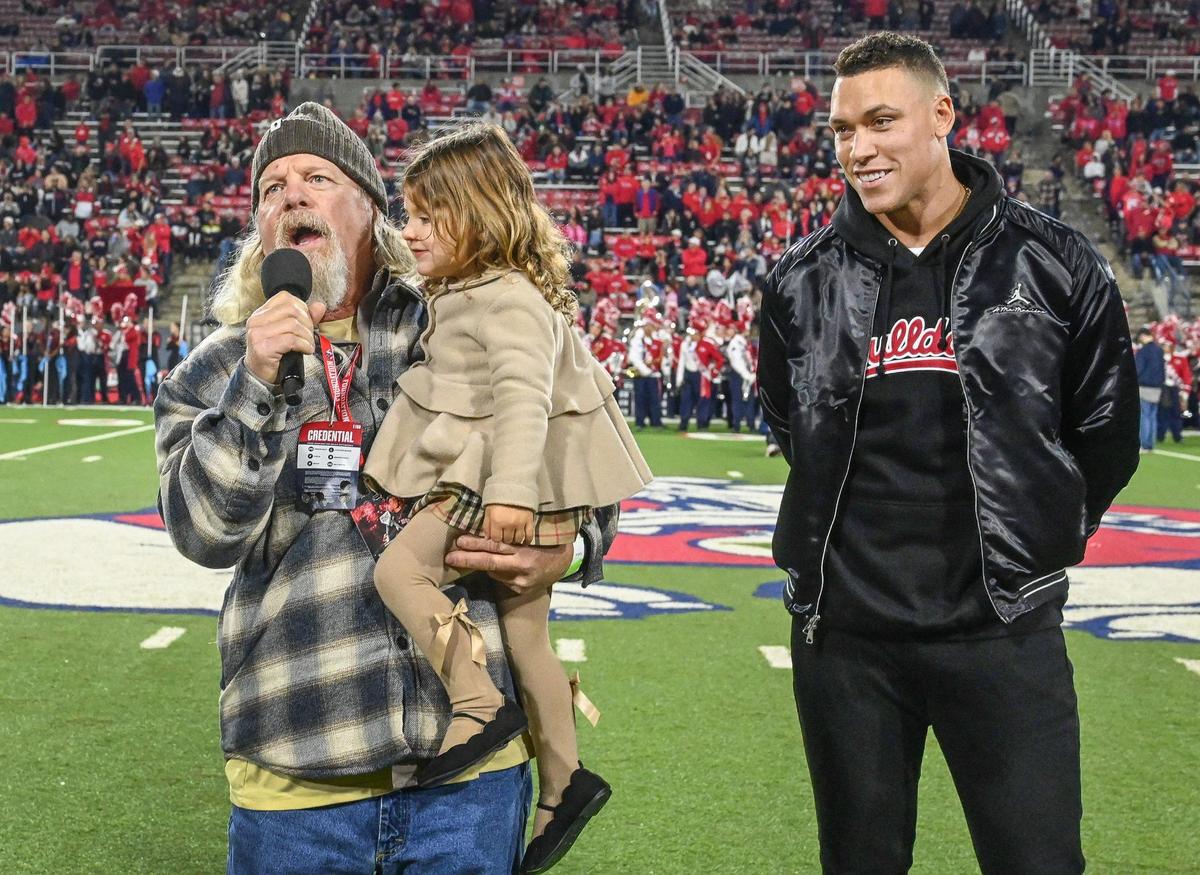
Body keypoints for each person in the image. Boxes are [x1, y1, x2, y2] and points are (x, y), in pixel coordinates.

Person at [155, 102, 619, 875]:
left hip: (468, 784)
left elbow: (581, 459)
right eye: (270, 187)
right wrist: (258, 381)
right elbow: (204, 532)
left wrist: (567, 552)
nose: (290, 195)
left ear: (372, 209)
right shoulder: (213, 368)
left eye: (316, 177)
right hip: (298, 774)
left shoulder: (457, 318)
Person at [757, 33, 1140, 875]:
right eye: (842, 129)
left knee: (1037, 861)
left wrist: (1039, 537)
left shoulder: (1055, 261)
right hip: (847, 641)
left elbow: (1106, 431)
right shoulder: (800, 279)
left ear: (942, 116)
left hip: (1001, 631)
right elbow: (792, 425)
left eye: (881, 121)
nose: (858, 148)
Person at [362, 122, 651, 873]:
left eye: (428, 215)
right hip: (506, 480)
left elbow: (524, 399)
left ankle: (476, 703)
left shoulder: (506, 297)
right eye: (408, 213)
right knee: (526, 639)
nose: (410, 230)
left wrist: (513, 493)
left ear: (481, 212)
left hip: (495, 480)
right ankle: (564, 777)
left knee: (399, 572)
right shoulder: (472, 288)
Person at [1135, 325, 1166, 452]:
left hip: (1145, 386)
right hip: (1157, 387)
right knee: (1152, 415)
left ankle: (1145, 444)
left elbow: (1138, 369)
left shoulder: (1143, 351)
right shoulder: (1159, 350)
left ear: (1143, 336)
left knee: (1145, 415)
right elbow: (1163, 369)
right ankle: (1151, 444)